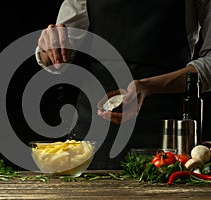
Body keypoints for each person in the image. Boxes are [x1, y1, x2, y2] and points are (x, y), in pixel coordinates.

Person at [35, 0, 211, 169]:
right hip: (97, 128)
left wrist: (149, 86)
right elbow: (58, 57)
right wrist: (48, 48)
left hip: (168, 130)